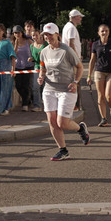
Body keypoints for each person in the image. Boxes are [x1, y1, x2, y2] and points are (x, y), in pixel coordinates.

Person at [37, 22, 90, 161]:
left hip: (67, 89)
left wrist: (76, 82)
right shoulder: (43, 52)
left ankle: (80, 129)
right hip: (49, 89)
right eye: (45, 35)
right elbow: (42, 68)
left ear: (57, 35)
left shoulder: (66, 50)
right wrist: (41, 76)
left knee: (62, 123)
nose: (48, 37)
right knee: (52, 122)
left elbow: (79, 67)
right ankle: (63, 150)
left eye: (50, 34)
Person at [87, 24, 111, 126]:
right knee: (100, 95)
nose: (104, 33)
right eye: (102, 31)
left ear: (109, 32)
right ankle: (103, 118)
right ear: (98, 33)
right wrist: (89, 75)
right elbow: (92, 60)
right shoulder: (95, 44)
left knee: (108, 96)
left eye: (106, 31)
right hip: (99, 71)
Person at [62, 9, 84, 110]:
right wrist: (77, 58)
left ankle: (74, 104)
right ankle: (74, 105)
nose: (80, 19)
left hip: (69, 58)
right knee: (75, 80)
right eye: (79, 17)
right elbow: (71, 43)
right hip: (72, 59)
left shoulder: (68, 26)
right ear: (75, 17)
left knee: (72, 81)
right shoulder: (71, 28)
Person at [12, 25, 34, 111]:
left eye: (18, 32)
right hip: (18, 66)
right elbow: (13, 55)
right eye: (15, 33)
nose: (17, 34)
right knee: (18, 86)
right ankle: (28, 98)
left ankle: (25, 104)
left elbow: (34, 50)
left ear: (22, 33)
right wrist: (16, 45)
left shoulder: (28, 41)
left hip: (28, 66)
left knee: (26, 85)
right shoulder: (13, 42)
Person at [29, 28, 46, 112]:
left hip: (46, 68)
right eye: (33, 35)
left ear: (40, 35)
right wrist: (31, 59)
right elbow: (35, 58)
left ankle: (47, 104)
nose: (35, 37)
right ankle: (37, 105)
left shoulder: (45, 44)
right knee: (35, 87)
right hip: (37, 67)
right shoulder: (32, 46)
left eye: (36, 35)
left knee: (45, 87)